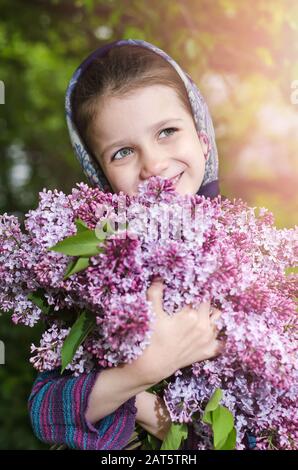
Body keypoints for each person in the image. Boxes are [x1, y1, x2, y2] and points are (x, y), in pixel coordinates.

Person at [28, 38, 223, 450]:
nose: (153, 164)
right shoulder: (98, 268)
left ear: (203, 139)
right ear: (102, 177)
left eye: (167, 131)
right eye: (122, 152)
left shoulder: (260, 256)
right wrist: (144, 373)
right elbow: (46, 412)